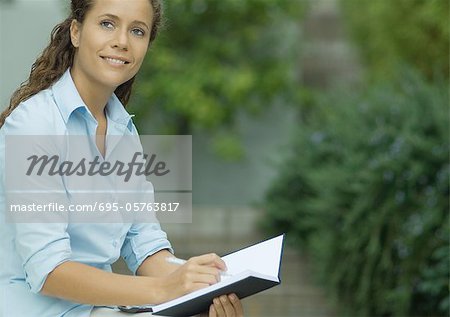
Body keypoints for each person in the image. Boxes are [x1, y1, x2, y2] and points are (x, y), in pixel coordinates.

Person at [0, 0, 244, 316]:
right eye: (107, 24)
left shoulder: (123, 132)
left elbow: (144, 245)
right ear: (76, 31)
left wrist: (205, 285)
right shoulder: (34, 125)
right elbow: (49, 269)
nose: (122, 41)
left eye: (138, 31)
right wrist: (164, 290)